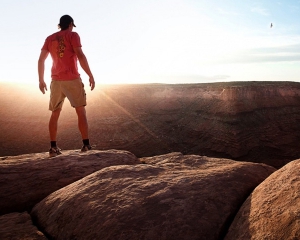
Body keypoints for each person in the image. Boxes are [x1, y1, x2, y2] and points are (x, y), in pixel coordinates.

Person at [38, 15, 95, 157]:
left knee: (55, 113)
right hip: (72, 79)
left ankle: (53, 148)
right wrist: (90, 75)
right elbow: (80, 55)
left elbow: (41, 60)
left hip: (56, 81)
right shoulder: (73, 35)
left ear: (59, 25)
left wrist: (41, 80)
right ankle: (86, 145)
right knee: (80, 111)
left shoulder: (49, 38)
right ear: (70, 24)